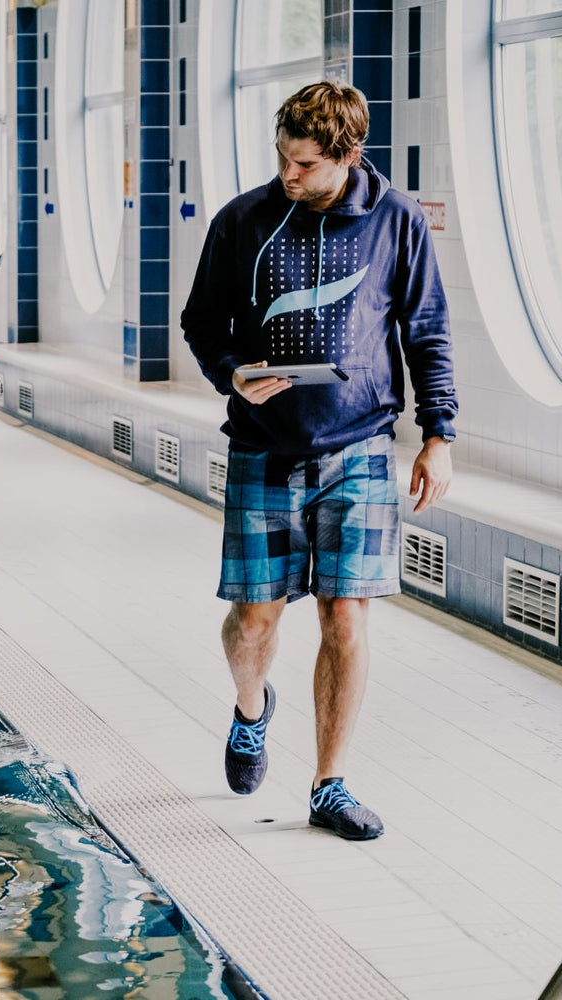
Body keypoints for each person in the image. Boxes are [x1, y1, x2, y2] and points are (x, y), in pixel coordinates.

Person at [180, 81, 458, 841]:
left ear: (347, 156)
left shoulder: (395, 221)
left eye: (304, 164)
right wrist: (232, 372)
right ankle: (250, 709)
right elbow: (201, 320)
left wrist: (439, 435)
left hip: (361, 444)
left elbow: (426, 330)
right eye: (282, 158)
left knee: (346, 616)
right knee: (255, 622)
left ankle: (329, 784)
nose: (288, 176)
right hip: (263, 447)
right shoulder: (244, 219)